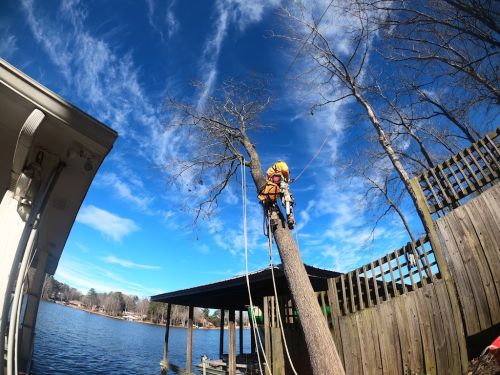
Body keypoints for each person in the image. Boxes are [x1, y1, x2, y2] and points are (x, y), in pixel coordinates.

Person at [258, 160, 295, 229]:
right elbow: (285, 170)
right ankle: (290, 218)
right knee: (287, 197)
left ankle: (274, 217)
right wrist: (287, 179)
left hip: (273, 186)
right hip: (282, 184)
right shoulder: (282, 164)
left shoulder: (270, 169)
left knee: (272, 201)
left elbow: (267, 180)